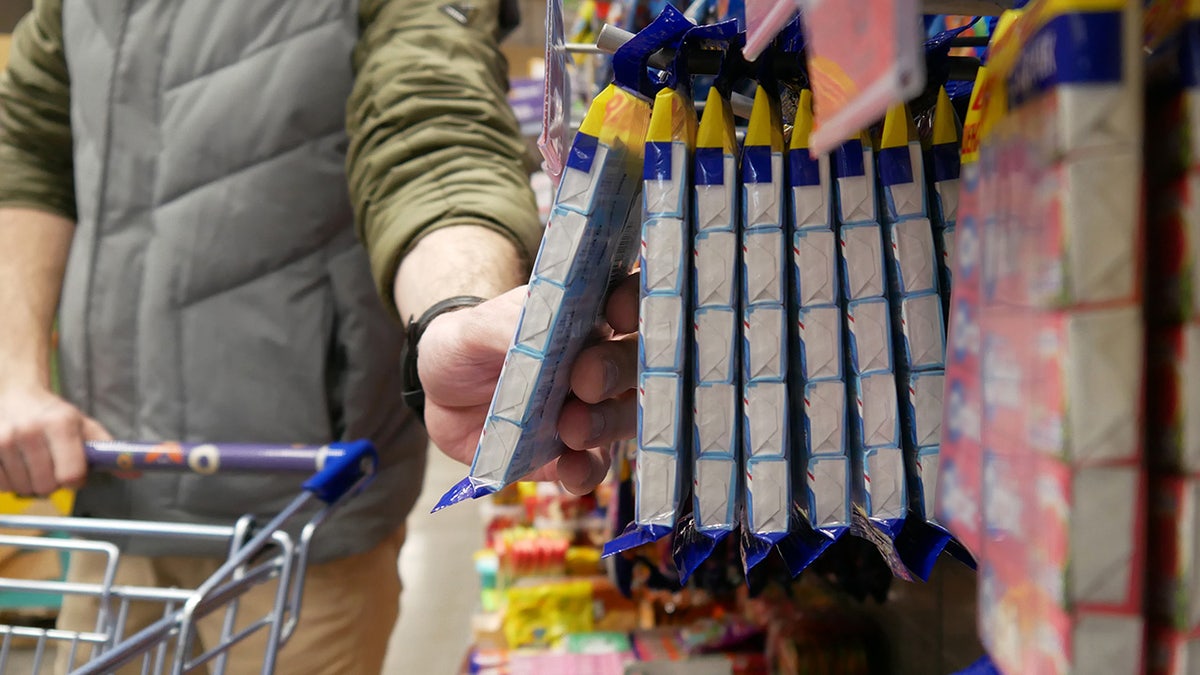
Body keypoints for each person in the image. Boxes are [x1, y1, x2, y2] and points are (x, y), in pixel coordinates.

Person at [0, 0, 637, 672]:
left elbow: (430, 124)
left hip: (302, 529)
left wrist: (454, 310)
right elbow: (31, 145)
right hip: (113, 503)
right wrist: (14, 375)